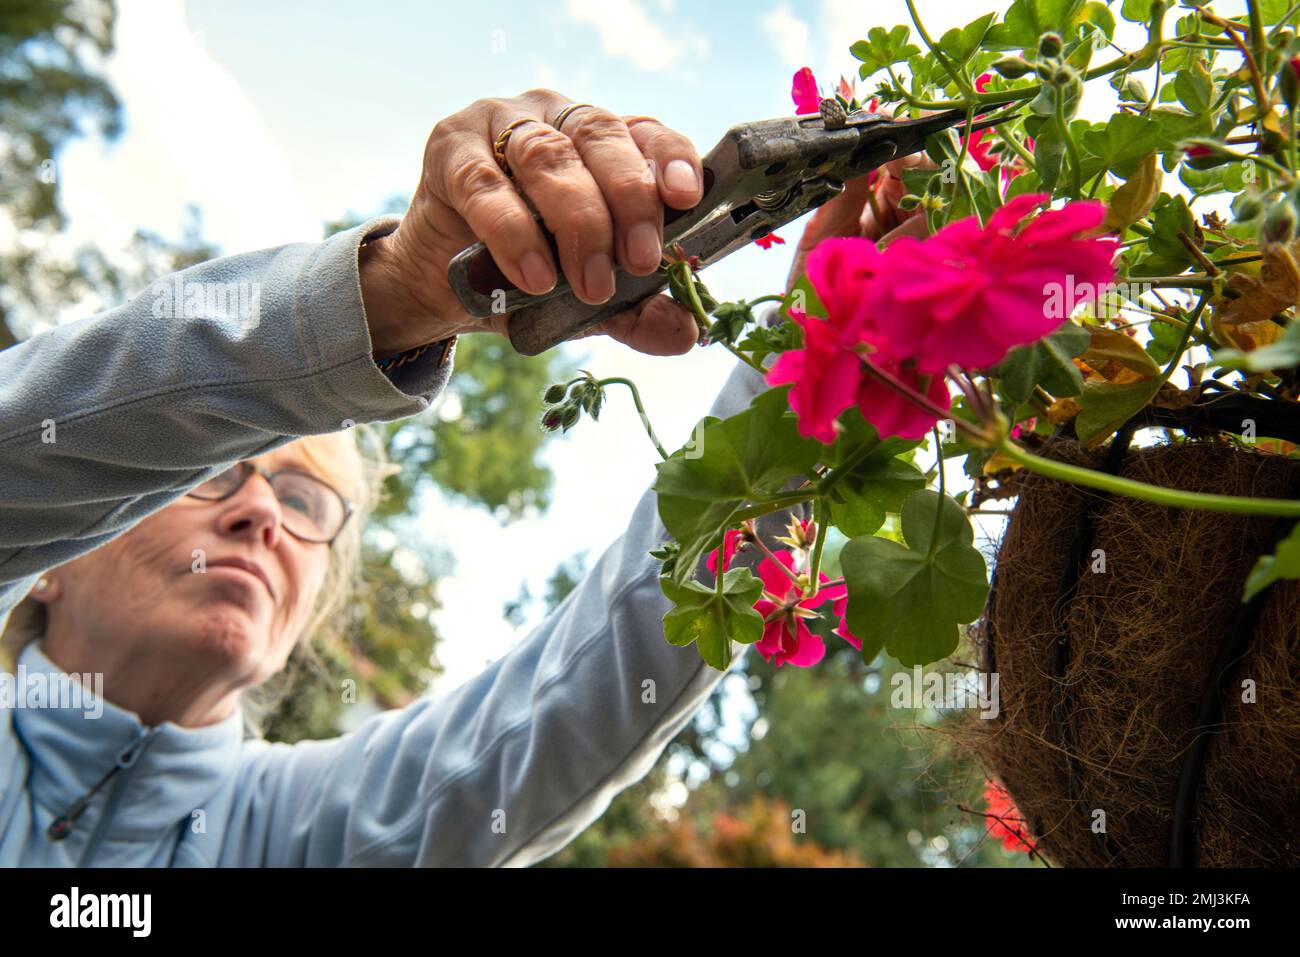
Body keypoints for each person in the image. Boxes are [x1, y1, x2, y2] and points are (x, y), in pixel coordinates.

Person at [0, 89, 920, 867]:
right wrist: (394, 294)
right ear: (56, 551)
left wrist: (813, 366)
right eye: (212, 473)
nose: (259, 515)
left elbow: (573, 701)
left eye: (303, 500)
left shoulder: (294, 832)